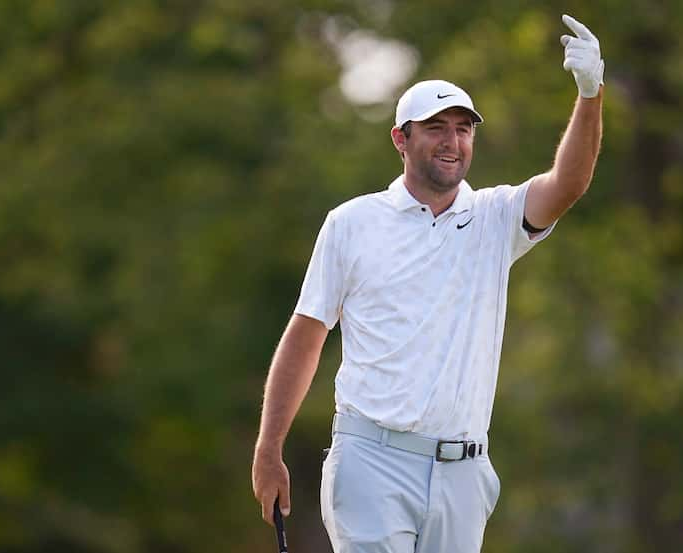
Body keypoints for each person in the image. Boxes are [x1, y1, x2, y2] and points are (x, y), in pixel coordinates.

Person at [252, 13, 605, 553]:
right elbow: (305, 337)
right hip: (370, 460)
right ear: (401, 138)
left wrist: (589, 96)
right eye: (437, 127)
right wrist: (268, 447)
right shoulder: (352, 223)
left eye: (463, 129)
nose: (453, 141)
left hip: (463, 472)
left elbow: (569, 183)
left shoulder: (495, 217)